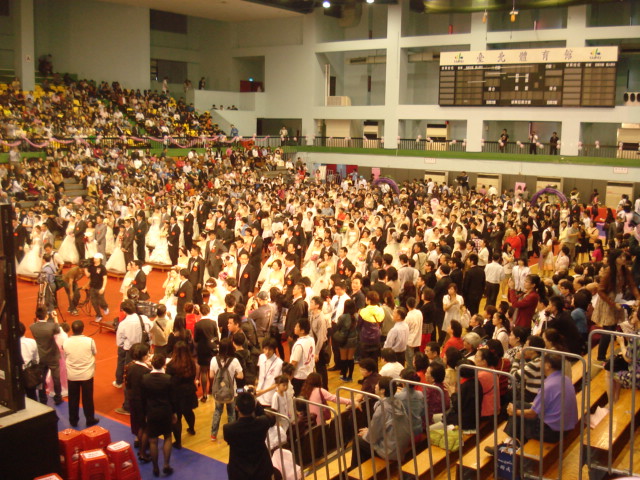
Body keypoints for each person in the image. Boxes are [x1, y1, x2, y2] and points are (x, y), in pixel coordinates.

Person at [485, 353, 578, 455]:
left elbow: (532, 413)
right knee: (519, 405)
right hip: (564, 426)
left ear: (548, 365)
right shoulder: (565, 379)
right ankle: (512, 443)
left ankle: (508, 447)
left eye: (542, 361)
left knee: (517, 411)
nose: (539, 364)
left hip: (552, 432)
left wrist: (515, 412)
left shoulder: (549, 386)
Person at [350, 376, 411, 468]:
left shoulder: (382, 409)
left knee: (358, 440)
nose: (375, 386)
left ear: (382, 390)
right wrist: (369, 431)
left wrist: (367, 433)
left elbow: (372, 438)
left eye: (377, 385)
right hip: (399, 445)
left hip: (390, 450)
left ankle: (354, 470)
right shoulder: (398, 402)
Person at [593, 249, 640, 361]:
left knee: (612, 328)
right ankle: (601, 356)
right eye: (620, 257)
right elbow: (600, 290)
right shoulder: (609, 271)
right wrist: (612, 303)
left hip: (618, 300)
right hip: (608, 301)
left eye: (623, 256)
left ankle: (603, 356)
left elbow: (632, 285)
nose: (623, 258)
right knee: (608, 329)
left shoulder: (625, 270)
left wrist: (638, 297)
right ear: (615, 259)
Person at [223, 392, 277, 480]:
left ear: (236, 408)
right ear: (254, 407)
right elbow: (267, 416)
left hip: (239, 472)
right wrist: (256, 403)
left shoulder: (228, 429)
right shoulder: (263, 422)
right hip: (262, 469)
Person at [142, 354, 176, 477]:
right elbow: (172, 398)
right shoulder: (168, 379)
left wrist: (144, 413)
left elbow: (143, 398)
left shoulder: (145, 378)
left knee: (153, 441)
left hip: (151, 412)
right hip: (165, 411)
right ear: (163, 364)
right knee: (167, 437)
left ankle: (155, 468)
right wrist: (174, 413)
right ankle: (166, 464)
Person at [63, 320, 99, 428]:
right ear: (83, 329)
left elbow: (65, 355)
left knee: (73, 398)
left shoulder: (66, 342)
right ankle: (90, 419)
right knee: (88, 398)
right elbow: (94, 352)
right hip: (87, 374)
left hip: (72, 375)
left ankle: (73, 420)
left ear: (72, 329)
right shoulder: (89, 341)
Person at [210, 338, 244, 441]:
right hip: (231, 391)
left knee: (217, 411)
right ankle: (231, 434)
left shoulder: (214, 360)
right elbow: (241, 376)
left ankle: (213, 434)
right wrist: (233, 374)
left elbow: (211, 375)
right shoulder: (234, 361)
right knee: (231, 413)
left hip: (218, 392)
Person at [166, 341, 198, 448]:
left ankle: (178, 442)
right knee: (189, 412)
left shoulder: (171, 365)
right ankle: (192, 428)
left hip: (176, 394)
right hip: (189, 392)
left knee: (177, 417)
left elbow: (169, 380)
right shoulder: (191, 363)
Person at [30, 306, 62, 405]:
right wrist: (55, 318)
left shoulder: (32, 327)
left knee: (41, 379)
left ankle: (42, 398)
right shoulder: (51, 326)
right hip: (52, 356)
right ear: (46, 316)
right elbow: (58, 330)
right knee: (56, 378)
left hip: (41, 356)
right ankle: (58, 397)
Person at [334, 299, 358, 382]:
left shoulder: (343, 317)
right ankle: (350, 376)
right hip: (354, 339)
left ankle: (344, 376)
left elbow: (338, 326)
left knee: (343, 358)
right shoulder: (356, 315)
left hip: (344, 339)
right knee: (351, 358)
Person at [289, 319, 315, 395]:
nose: (294, 328)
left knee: (298, 398)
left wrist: (289, 376)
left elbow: (294, 363)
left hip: (299, 377)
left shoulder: (299, 344)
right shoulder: (311, 339)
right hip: (309, 374)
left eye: (297, 326)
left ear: (302, 331)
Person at [84, 253, 109, 323]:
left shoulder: (102, 268)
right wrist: (85, 269)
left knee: (101, 300)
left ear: (100, 259)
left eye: (96, 258)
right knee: (94, 302)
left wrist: (103, 288)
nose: (94, 259)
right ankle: (99, 315)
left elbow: (105, 279)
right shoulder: (91, 266)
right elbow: (88, 275)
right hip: (92, 287)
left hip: (99, 287)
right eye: (94, 258)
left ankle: (105, 307)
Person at [19, 322, 39, 400]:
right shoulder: (32, 342)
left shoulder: (10, 344)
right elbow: (36, 359)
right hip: (29, 373)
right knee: (32, 395)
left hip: (16, 374)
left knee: (17, 396)